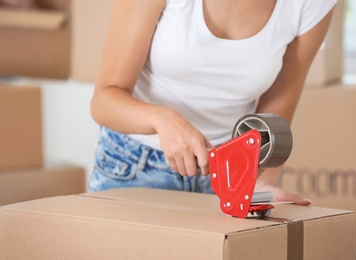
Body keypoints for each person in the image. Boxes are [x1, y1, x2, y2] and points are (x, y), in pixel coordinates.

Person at [89, 0, 336, 206]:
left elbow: (274, 120)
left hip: (226, 174)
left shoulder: (311, 4)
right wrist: (162, 119)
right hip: (134, 167)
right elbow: (104, 100)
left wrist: (258, 183)